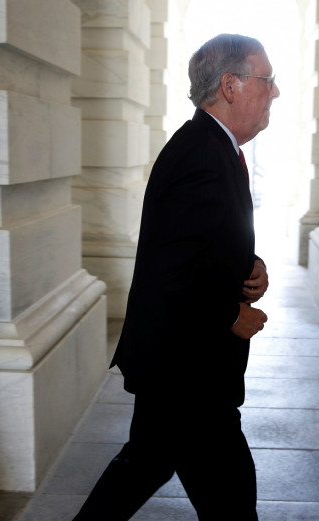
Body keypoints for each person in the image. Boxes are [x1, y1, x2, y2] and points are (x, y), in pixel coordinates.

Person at [72, 33, 280, 521]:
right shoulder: (201, 156)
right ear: (231, 85)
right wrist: (230, 312)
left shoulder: (212, 147)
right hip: (188, 367)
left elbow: (199, 241)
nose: (274, 92)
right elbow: (169, 272)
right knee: (224, 492)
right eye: (266, 80)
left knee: (145, 463)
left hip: (180, 364)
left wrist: (250, 266)